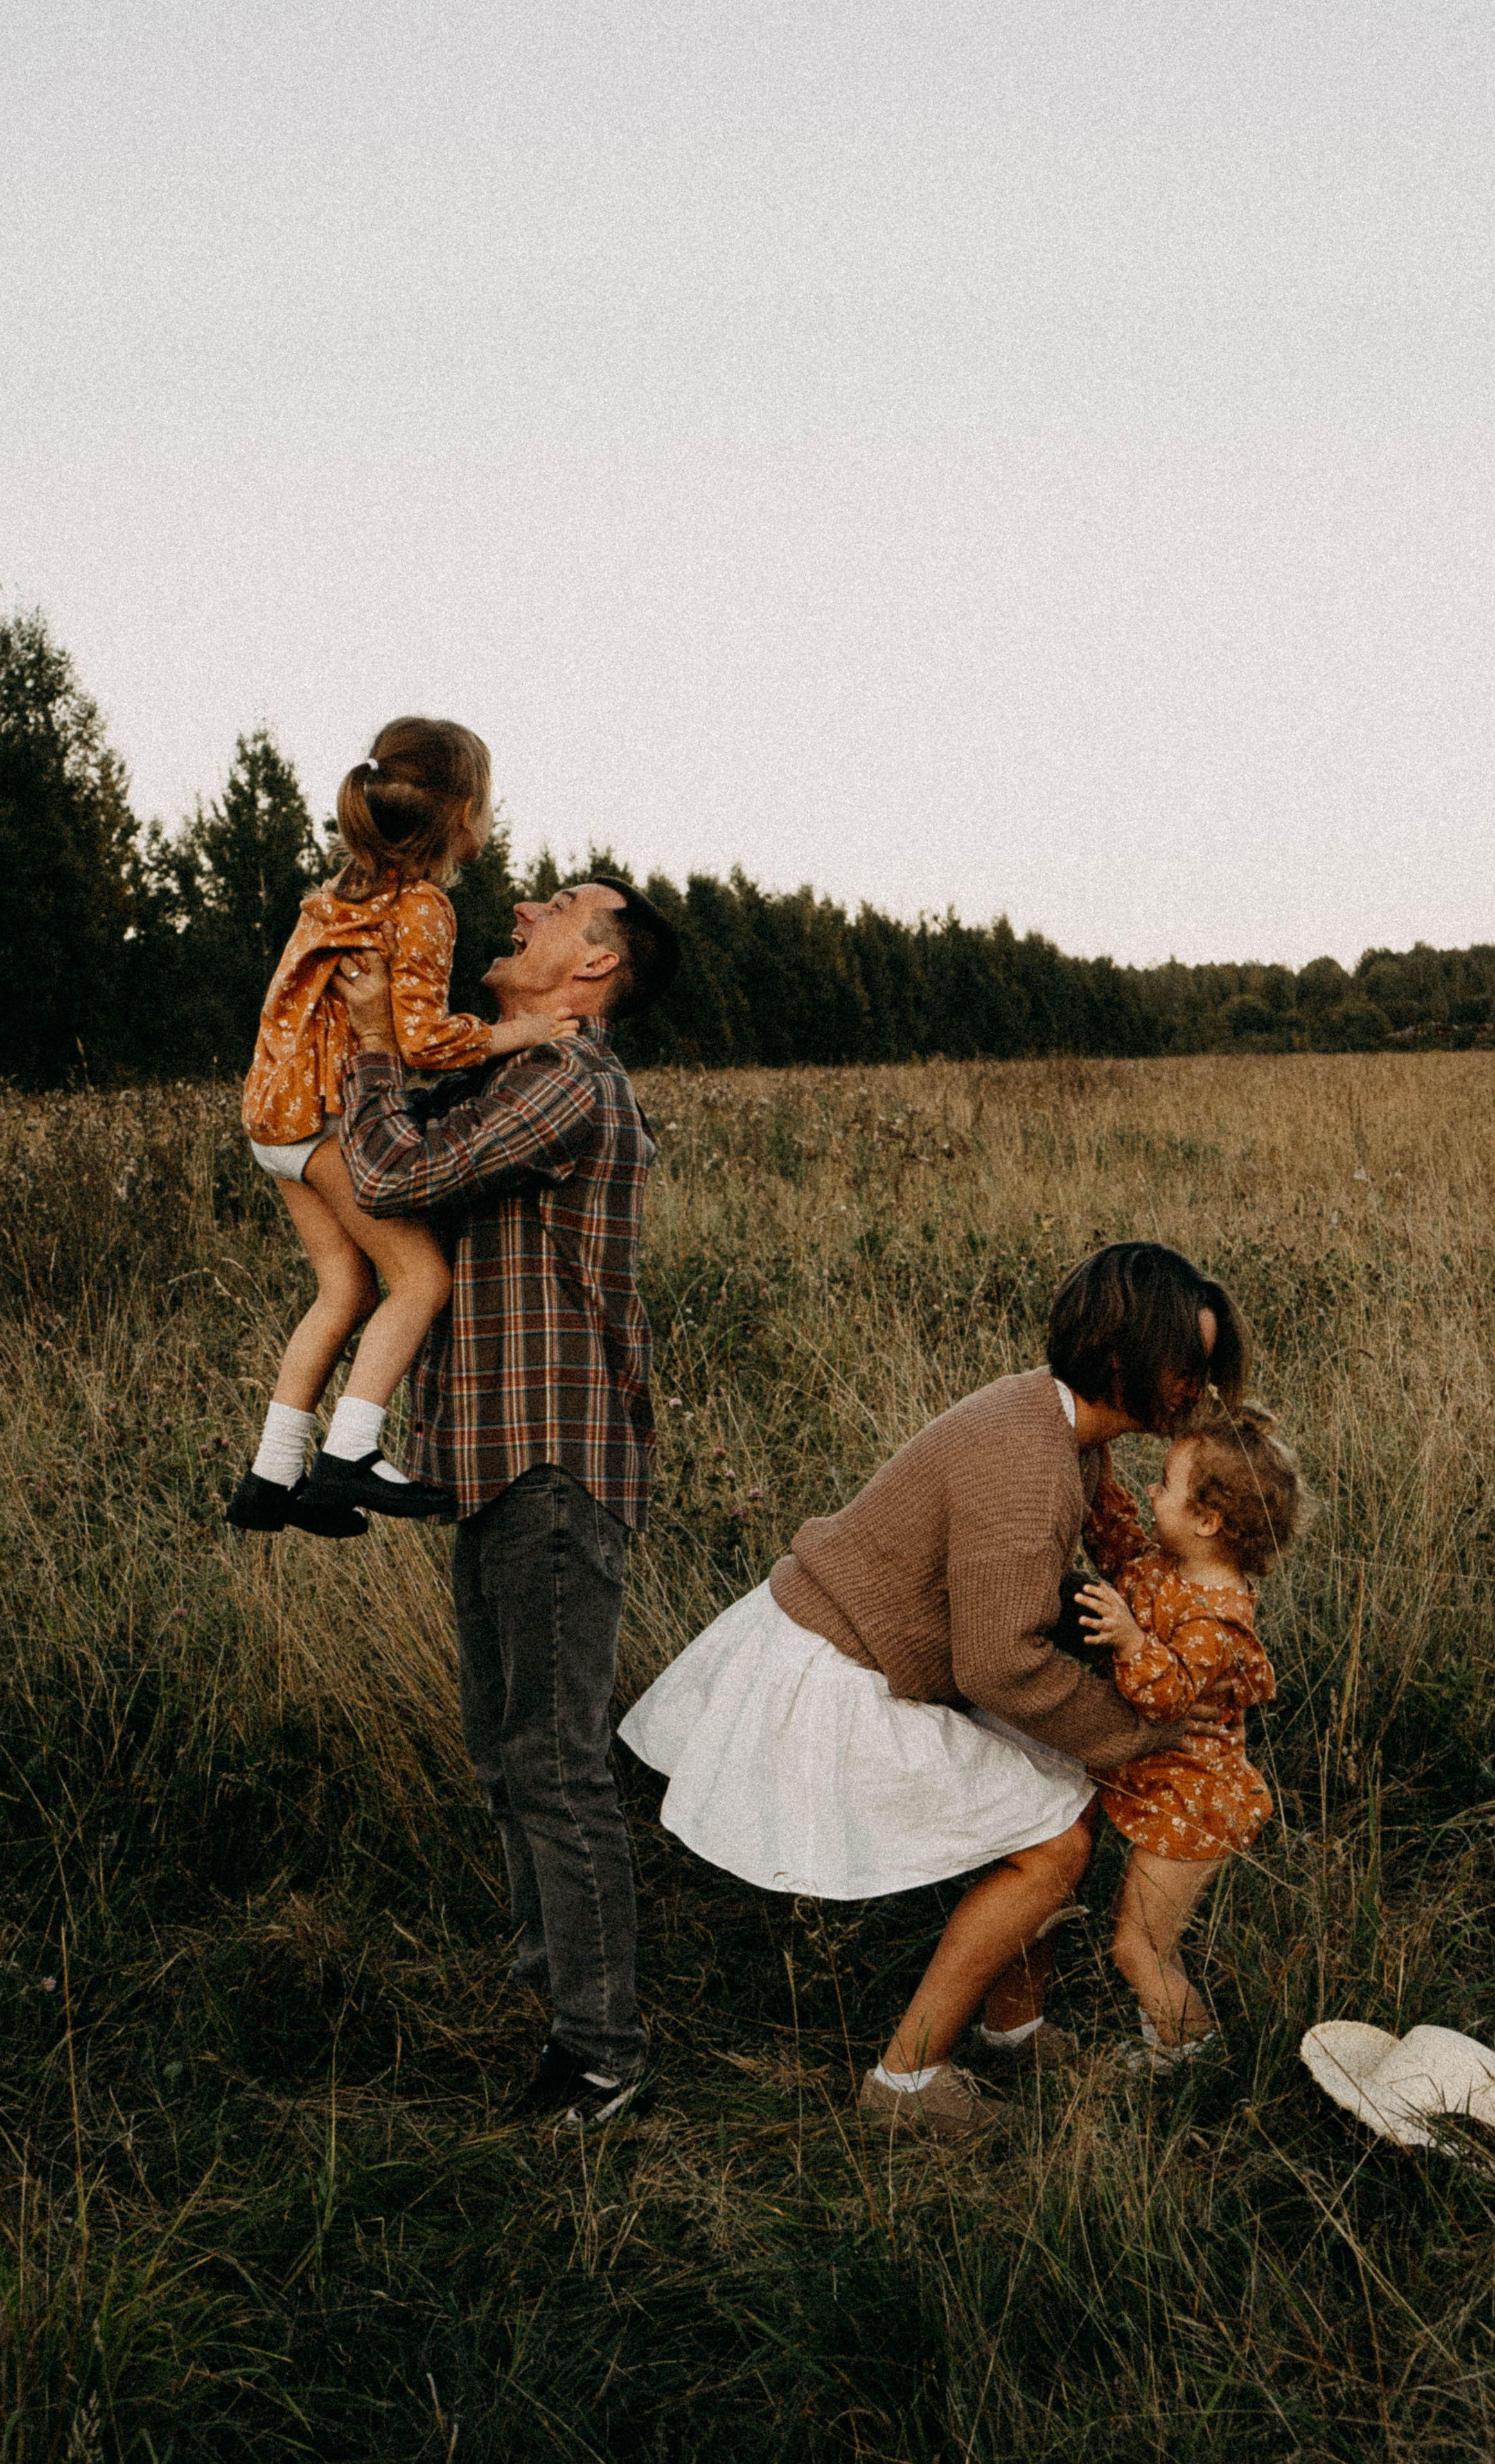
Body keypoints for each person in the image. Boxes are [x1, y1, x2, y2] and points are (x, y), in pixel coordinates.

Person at [620, 1240, 1248, 2139]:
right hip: (828, 1673)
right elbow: (999, 1665)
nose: (1198, 1388)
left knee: (1058, 1797)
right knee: (1055, 1843)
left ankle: (1012, 2031)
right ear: (1124, 1360)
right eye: (1187, 1367)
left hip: (868, 1646)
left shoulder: (1058, 1424)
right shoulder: (1032, 1463)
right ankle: (905, 2084)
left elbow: (1014, 1605)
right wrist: (1139, 1730)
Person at [333, 876, 681, 2124]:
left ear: (592, 969)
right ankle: (560, 2008)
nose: (524, 902)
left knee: (553, 1761)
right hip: (486, 1462)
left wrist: (375, 1042)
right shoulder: (504, 1071)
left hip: (547, 1461)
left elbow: (385, 1177)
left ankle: (599, 2057)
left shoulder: (566, 1080)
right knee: (507, 1754)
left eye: (560, 905)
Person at [227, 717, 575, 1539]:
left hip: (272, 1116)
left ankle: (271, 1477)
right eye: (487, 802)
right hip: (323, 1121)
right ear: (462, 815)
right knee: (421, 1280)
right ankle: (349, 1452)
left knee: (343, 1291)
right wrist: (517, 1034)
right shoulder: (421, 907)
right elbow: (418, 1038)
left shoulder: (342, 891)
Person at [1075, 1401, 1305, 2069]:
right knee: (1157, 1942)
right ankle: (1171, 2043)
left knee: (1135, 1950)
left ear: (1207, 1520)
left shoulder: (1220, 1615)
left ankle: (1197, 2059)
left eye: (1164, 1486)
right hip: (1171, 1796)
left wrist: (1126, 1638)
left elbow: (1166, 1694)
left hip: (1193, 1808)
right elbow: (1119, 1545)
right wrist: (1097, 1464)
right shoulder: (1169, 1567)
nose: (1152, 1494)